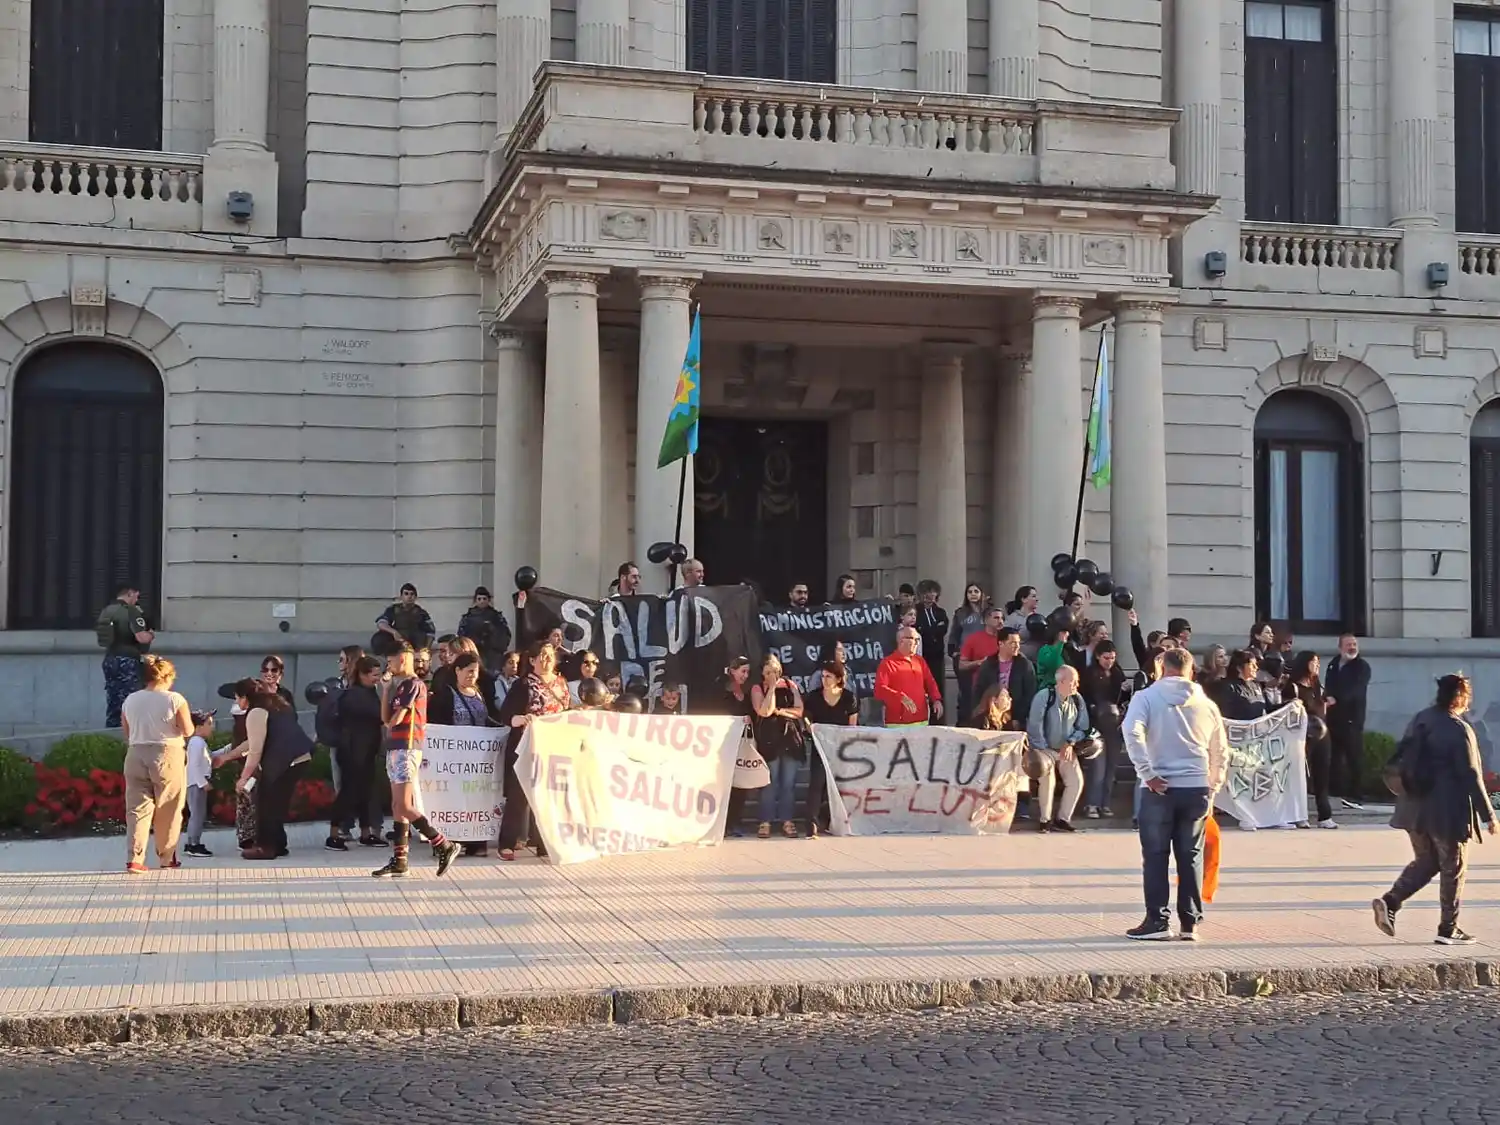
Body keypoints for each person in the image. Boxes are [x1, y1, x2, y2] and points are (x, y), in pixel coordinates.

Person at [1372, 673, 1498, 947]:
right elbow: (1471, 774)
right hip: (1446, 811)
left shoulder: (1421, 718)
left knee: (1428, 861)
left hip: (1414, 806)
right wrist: (1488, 814)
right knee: (1453, 867)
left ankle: (1390, 902)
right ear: (1461, 698)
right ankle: (1447, 928)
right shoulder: (1459, 729)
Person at [1122, 648, 1229, 941]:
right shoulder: (1206, 704)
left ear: (1161, 667)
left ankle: (1157, 921)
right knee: (1190, 854)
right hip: (1195, 786)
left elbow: (1132, 732)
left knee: (1156, 856)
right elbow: (1220, 749)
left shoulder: (1146, 698)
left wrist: (1147, 773)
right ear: (1190, 669)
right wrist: (1213, 785)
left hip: (1160, 786)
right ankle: (1190, 922)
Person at [372, 643, 460, 877]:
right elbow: (385, 719)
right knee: (397, 805)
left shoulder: (413, 684)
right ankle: (400, 860)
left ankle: (443, 843)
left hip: (407, 747)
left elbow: (394, 721)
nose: (387, 666)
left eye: (390, 661)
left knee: (404, 805)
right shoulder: (400, 687)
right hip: (395, 747)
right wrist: (386, 691)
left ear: (402, 659)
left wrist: (391, 714)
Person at [496, 639, 572, 861]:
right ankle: (507, 843)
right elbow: (507, 714)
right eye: (542, 656)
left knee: (548, 795)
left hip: (553, 746)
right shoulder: (523, 684)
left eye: (550, 655)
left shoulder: (561, 683)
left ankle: (543, 842)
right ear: (532, 660)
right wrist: (520, 719)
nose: (547, 659)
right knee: (519, 795)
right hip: (526, 745)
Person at [119, 655, 193, 873]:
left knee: (137, 809)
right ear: (168, 676)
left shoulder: (130, 699)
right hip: (167, 753)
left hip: (136, 752)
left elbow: (127, 730)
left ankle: (135, 859)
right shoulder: (175, 699)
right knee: (169, 807)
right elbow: (188, 730)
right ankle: (166, 857)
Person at [233, 677, 316, 861]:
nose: (237, 702)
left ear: (246, 697)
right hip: (300, 757)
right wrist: (226, 757)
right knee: (276, 801)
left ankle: (266, 847)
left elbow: (255, 750)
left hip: (286, 760)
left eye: (238, 698)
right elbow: (253, 741)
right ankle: (278, 844)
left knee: (267, 801)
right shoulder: (277, 703)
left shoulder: (256, 712)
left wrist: (243, 778)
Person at [327, 655, 387, 850]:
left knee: (365, 792)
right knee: (349, 792)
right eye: (374, 675)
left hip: (366, 750)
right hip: (353, 751)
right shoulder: (355, 695)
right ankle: (334, 833)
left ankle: (366, 832)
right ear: (362, 674)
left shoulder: (369, 692)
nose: (377, 679)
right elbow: (380, 715)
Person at [1025, 663, 1091, 832]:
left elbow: (1083, 727)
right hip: (1044, 748)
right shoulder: (1044, 696)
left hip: (1065, 747)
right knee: (1047, 779)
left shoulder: (1077, 699)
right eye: (1073, 681)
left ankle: (1063, 818)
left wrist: (1071, 743)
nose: (1077, 685)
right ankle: (1044, 820)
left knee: (1076, 780)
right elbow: (1035, 725)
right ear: (1061, 682)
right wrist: (1043, 749)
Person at [750, 653, 805, 839]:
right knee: (769, 782)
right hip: (769, 739)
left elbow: (799, 711)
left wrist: (780, 711)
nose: (770, 675)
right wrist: (772, 689)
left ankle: (787, 821)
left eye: (773, 671)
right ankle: (765, 821)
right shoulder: (758, 689)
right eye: (767, 672)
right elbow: (764, 711)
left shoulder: (791, 685)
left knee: (788, 783)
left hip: (789, 738)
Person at [802, 660, 858, 838]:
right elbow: (806, 717)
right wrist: (809, 726)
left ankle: (831, 821)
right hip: (820, 746)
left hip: (841, 749)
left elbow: (852, 724)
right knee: (816, 784)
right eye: (823, 676)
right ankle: (811, 823)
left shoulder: (849, 698)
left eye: (829, 677)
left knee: (838, 785)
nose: (825, 680)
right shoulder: (813, 697)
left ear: (839, 679)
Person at [1282, 650, 1336, 829]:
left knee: (1322, 774)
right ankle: (1298, 814)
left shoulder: (1317, 686)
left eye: (1318, 662)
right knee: (1301, 775)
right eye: (1314, 662)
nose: (1317, 666)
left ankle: (1324, 815)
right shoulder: (1293, 687)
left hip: (1322, 733)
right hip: (1302, 735)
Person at [1079, 640, 1127, 819]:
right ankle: (1092, 804)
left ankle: (1105, 804)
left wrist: (1124, 692)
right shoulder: (1089, 674)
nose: (1109, 661)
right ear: (1098, 656)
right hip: (1096, 724)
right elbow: (1084, 697)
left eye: (1112, 658)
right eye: (1106, 658)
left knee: (1111, 768)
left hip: (1114, 723)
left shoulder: (1117, 673)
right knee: (1097, 767)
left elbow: (1122, 697)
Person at [97, 584, 155, 728]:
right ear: (129, 593)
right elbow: (141, 637)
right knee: (133, 700)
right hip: (128, 660)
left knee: (114, 700)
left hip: (110, 659)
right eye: (136, 596)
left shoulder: (107, 611)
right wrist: (151, 634)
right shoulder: (131, 611)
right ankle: (129, 735)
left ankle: (112, 732)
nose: (137, 600)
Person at [1325, 633, 1372, 809]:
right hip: (1333, 718)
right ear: (1340, 647)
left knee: (1354, 757)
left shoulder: (1362, 667)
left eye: (1354, 644)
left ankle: (1357, 795)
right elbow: (1328, 684)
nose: (1352, 647)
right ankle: (1336, 792)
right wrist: (1327, 696)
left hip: (1352, 719)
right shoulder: (1333, 664)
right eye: (1348, 644)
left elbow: (1356, 690)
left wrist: (1337, 699)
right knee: (1334, 757)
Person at [713, 656, 755, 838]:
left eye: (748, 672)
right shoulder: (720, 689)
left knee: (740, 784)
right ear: (732, 670)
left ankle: (734, 821)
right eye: (742, 671)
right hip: (723, 745)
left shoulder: (744, 692)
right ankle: (721, 822)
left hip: (741, 744)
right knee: (723, 784)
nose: (745, 675)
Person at [874, 626, 942, 728]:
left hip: (921, 721)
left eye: (918, 639)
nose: (917, 643)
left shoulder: (920, 661)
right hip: (897, 723)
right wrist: (900, 697)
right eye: (913, 639)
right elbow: (879, 690)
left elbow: (930, 682)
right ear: (901, 640)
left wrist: (936, 700)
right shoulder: (888, 663)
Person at [972, 627, 1037, 730]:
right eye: (1012, 643)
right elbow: (979, 691)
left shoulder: (1024, 664)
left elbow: (1030, 693)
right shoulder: (988, 664)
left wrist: (1019, 718)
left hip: (1015, 718)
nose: (1017, 646)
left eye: (1018, 643)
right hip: (991, 716)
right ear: (1000, 643)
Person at [958, 607, 1004, 724]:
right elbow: (961, 665)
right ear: (986, 620)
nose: (1000, 621)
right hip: (980, 688)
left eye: (1002, 618)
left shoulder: (1006, 639)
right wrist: (979, 662)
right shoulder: (973, 639)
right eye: (996, 618)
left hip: (1003, 687)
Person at [182, 710, 217, 858]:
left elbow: (210, 757)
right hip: (196, 784)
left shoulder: (199, 742)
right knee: (197, 814)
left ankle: (194, 842)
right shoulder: (196, 742)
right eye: (208, 723)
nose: (212, 727)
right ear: (197, 727)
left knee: (198, 814)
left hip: (197, 783)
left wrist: (228, 750)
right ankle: (193, 844)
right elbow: (194, 765)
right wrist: (203, 783)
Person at [458, 586, 512, 668]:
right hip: (474, 653)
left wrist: (493, 631)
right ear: (475, 600)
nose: (482, 601)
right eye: (479, 599)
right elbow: (461, 638)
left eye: (484, 599)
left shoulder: (496, 617)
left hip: (493, 655)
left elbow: (506, 634)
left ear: (489, 600)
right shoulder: (468, 618)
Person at [375, 583, 437, 653]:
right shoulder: (393, 609)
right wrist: (393, 632)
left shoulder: (421, 612)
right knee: (379, 639)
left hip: (415, 642)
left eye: (412, 594)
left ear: (416, 597)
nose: (409, 596)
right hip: (398, 639)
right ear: (401, 596)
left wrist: (426, 649)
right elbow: (381, 623)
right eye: (406, 594)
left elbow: (431, 632)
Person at [914, 579, 949, 702]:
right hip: (921, 656)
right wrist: (930, 630)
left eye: (932, 592)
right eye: (925, 593)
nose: (929, 596)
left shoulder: (940, 612)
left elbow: (942, 630)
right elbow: (918, 631)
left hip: (937, 657)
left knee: (937, 687)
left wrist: (927, 630)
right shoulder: (915, 612)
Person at [1210, 649, 1268, 721]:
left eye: (1256, 664)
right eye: (1252, 665)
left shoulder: (1256, 685)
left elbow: (1269, 709)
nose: (1256, 667)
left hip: (1258, 730)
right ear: (1239, 668)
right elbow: (1225, 715)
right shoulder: (1228, 687)